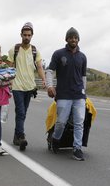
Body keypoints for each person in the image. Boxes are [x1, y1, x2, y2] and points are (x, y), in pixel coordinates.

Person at [45, 27, 87, 161]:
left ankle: (77, 149)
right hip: (63, 94)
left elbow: (84, 77)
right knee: (61, 122)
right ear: (66, 39)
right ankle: (55, 139)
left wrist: (84, 92)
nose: (73, 39)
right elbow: (50, 71)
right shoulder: (58, 54)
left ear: (78, 39)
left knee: (79, 122)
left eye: (75, 37)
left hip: (79, 95)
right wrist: (50, 86)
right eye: (71, 37)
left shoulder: (82, 57)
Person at [6, 22, 46, 151]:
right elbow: (9, 67)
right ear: (21, 35)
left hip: (30, 87)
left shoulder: (35, 51)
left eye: (29, 35)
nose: (27, 37)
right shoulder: (14, 50)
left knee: (22, 112)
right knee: (21, 111)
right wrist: (9, 82)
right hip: (17, 86)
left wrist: (44, 79)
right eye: (25, 35)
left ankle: (16, 136)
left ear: (32, 35)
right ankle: (21, 136)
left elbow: (39, 67)